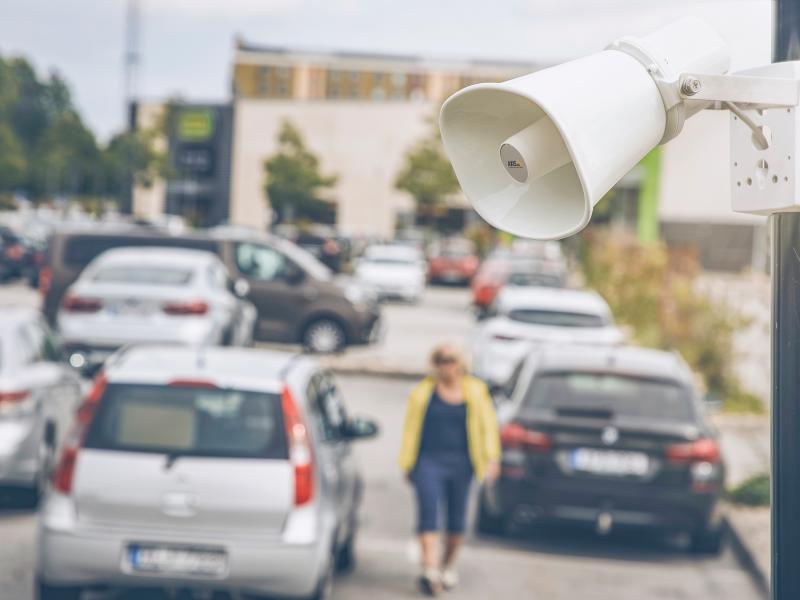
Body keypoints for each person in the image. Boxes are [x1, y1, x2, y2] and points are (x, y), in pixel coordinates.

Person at [398, 343, 501, 596]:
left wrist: (492, 459)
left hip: (462, 463)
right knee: (428, 514)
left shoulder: (475, 392)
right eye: (441, 361)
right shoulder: (423, 392)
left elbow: (488, 426)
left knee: (456, 522)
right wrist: (407, 462)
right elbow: (410, 429)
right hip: (428, 461)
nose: (447, 366)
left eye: (451, 360)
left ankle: (446, 566)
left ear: (460, 363)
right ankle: (430, 570)